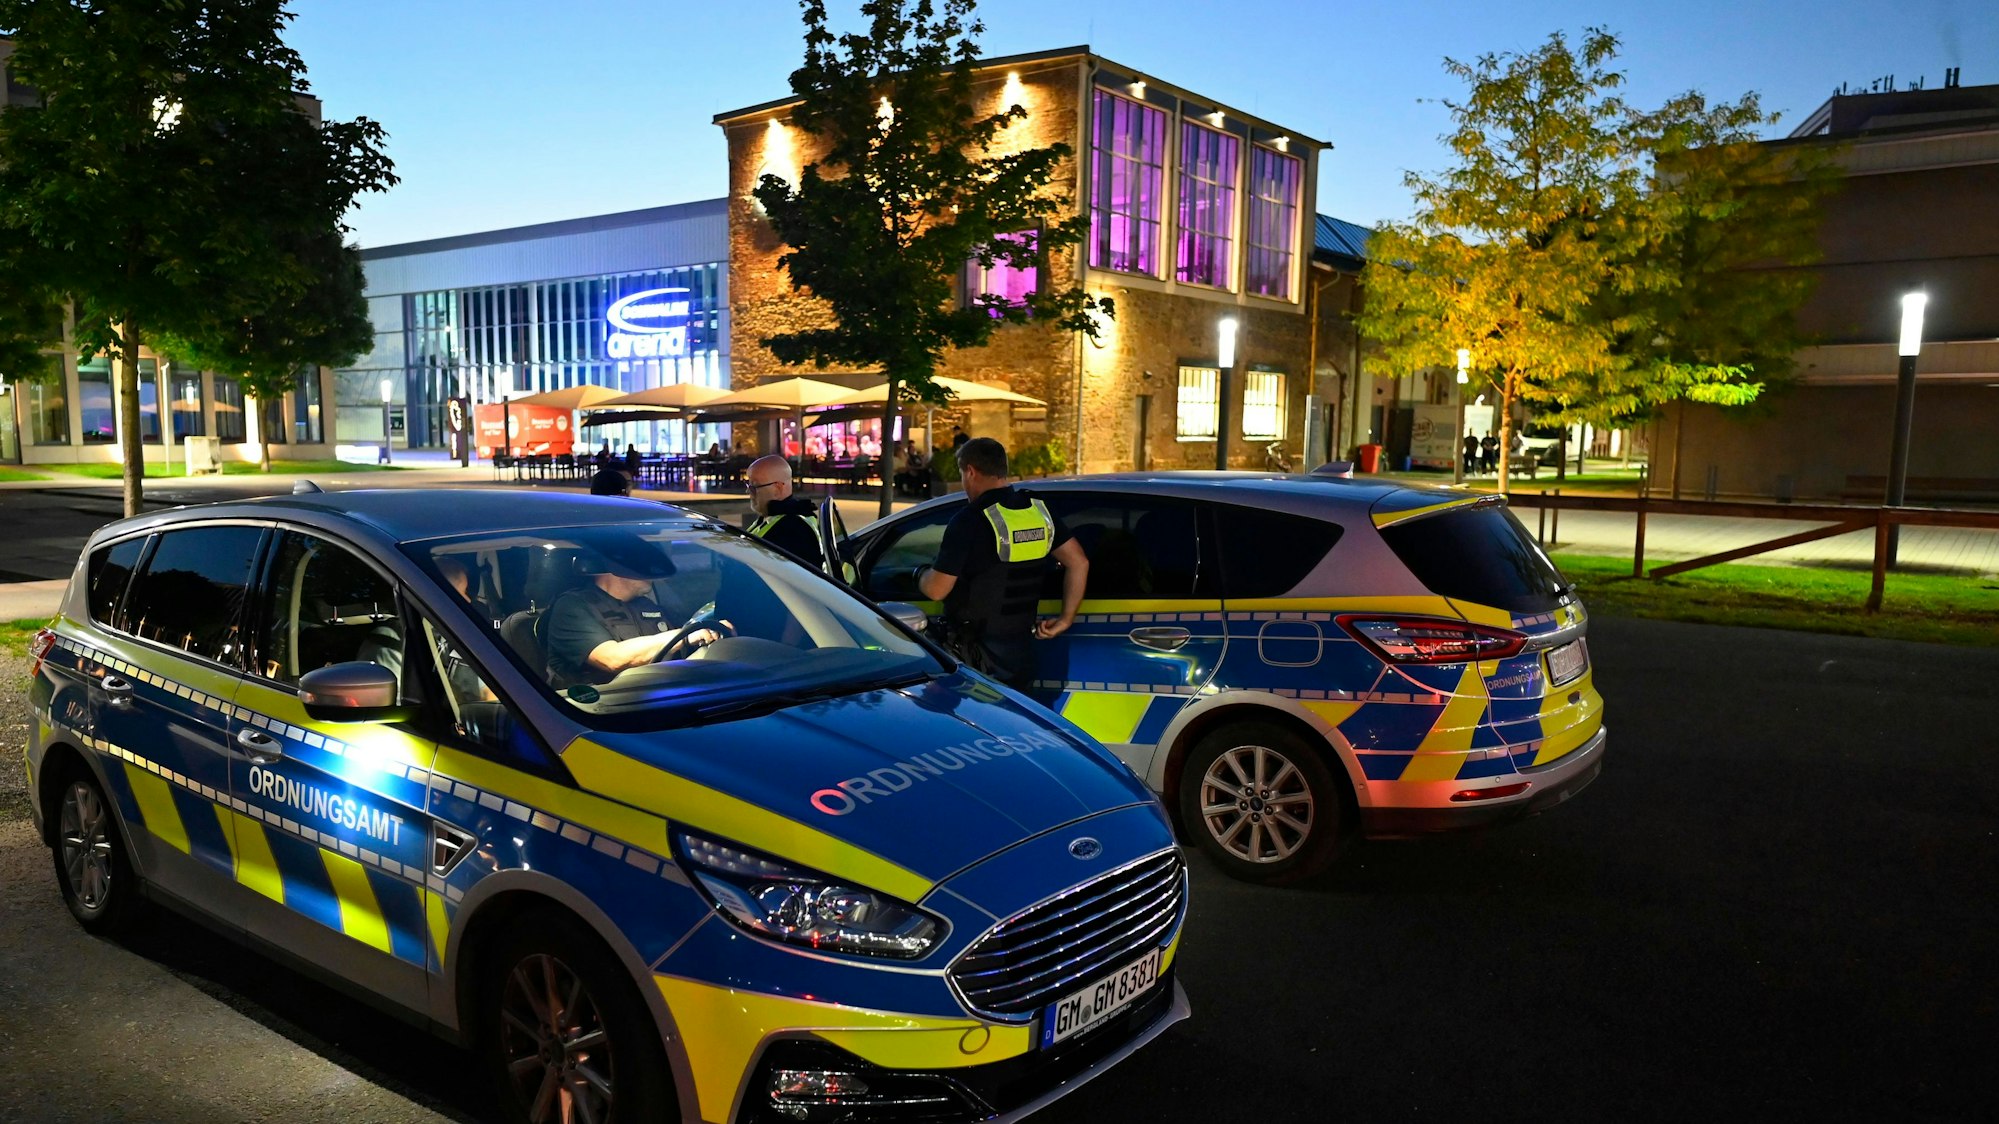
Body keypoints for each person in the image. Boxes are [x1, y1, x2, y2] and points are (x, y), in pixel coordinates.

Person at [918, 437, 1087, 691]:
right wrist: (1065, 619)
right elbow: (1079, 562)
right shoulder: (1038, 511)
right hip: (1021, 652)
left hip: (975, 658)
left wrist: (919, 574)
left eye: (963, 474)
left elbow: (936, 590)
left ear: (971, 471)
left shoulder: (969, 520)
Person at [542, 552, 719, 688]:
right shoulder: (573, 607)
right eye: (641, 563)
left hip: (657, 701)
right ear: (616, 568)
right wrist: (684, 635)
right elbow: (612, 659)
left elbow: (682, 647)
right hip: (597, 714)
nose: (650, 571)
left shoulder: (646, 606)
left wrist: (709, 633)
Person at [744, 454, 826, 572]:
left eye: (754, 486)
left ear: (778, 488)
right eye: (748, 485)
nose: (748, 492)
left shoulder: (793, 530)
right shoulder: (774, 517)